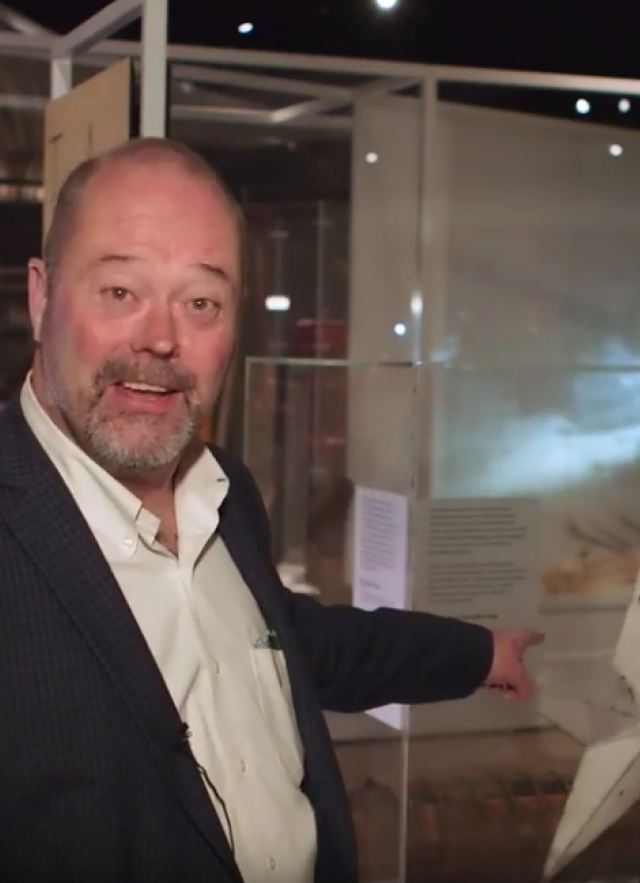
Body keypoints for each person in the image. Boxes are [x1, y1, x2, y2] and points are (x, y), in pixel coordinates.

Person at [0, 137, 543, 883]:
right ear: (40, 296)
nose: (161, 338)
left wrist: (478, 653)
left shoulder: (226, 490)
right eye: (120, 291)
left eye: (201, 301)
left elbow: (293, 648)